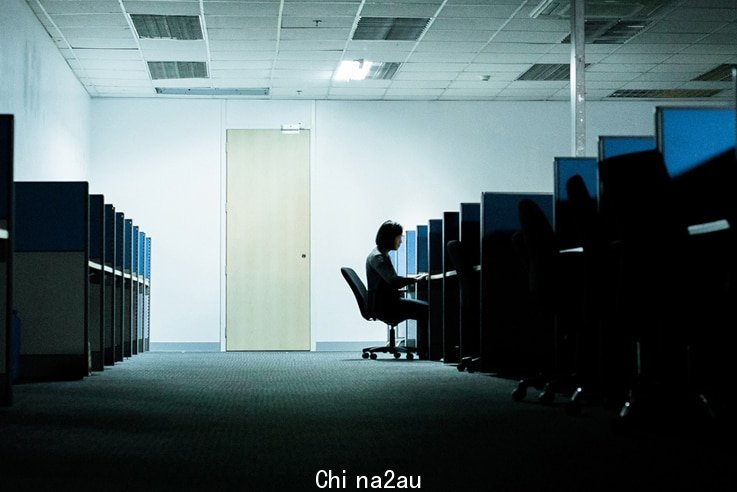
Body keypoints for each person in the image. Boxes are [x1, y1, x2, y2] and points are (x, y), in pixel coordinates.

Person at [365, 220, 428, 325]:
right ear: (390, 238)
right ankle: (426, 342)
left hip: (383, 303)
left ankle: (425, 341)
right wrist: (415, 280)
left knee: (425, 309)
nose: (401, 241)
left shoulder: (380, 254)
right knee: (428, 310)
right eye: (399, 237)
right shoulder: (378, 257)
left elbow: (390, 279)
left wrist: (413, 278)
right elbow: (393, 281)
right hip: (385, 307)